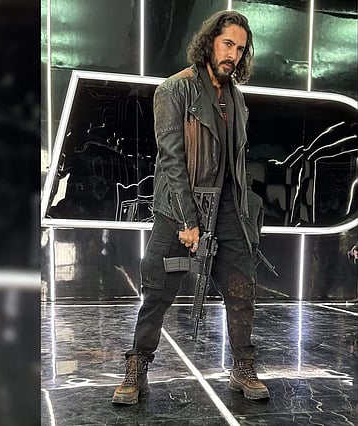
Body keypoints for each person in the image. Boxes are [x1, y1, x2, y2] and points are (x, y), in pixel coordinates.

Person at [112, 10, 269, 404]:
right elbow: (172, 160)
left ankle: (243, 365)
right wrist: (188, 219)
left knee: (242, 288)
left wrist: (244, 215)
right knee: (158, 290)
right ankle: (137, 366)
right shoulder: (175, 89)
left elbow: (235, 162)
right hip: (179, 208)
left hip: (228, 208)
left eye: (240, 48)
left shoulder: (237, 100)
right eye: (227, 43)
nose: (233, 54)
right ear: (209, 42)